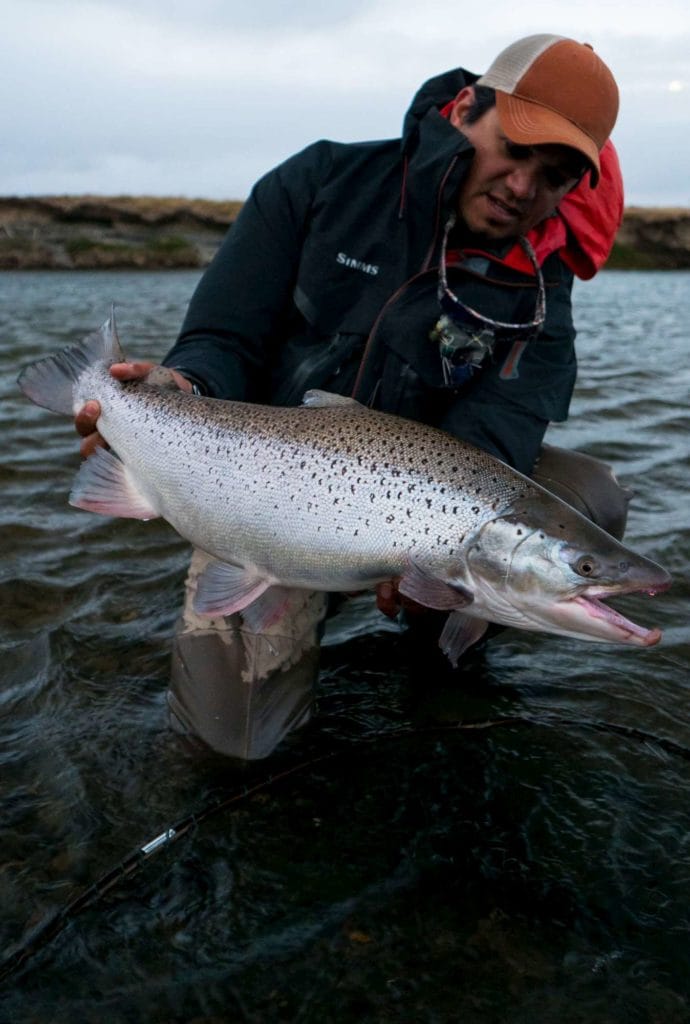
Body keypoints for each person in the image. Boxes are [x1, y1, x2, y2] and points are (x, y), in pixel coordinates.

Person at [76, 34, 629, 760]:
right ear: (465, 109)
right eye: (514, 150)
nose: (524, 187)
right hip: (267, 486)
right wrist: (185, 387)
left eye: (553, 175)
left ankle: (447, 642)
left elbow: (502, 426)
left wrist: (439, 564)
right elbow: (224, 338)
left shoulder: (540, 286)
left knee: (591, 494)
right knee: (234, 747)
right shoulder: (322, 182)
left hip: (421, 513)